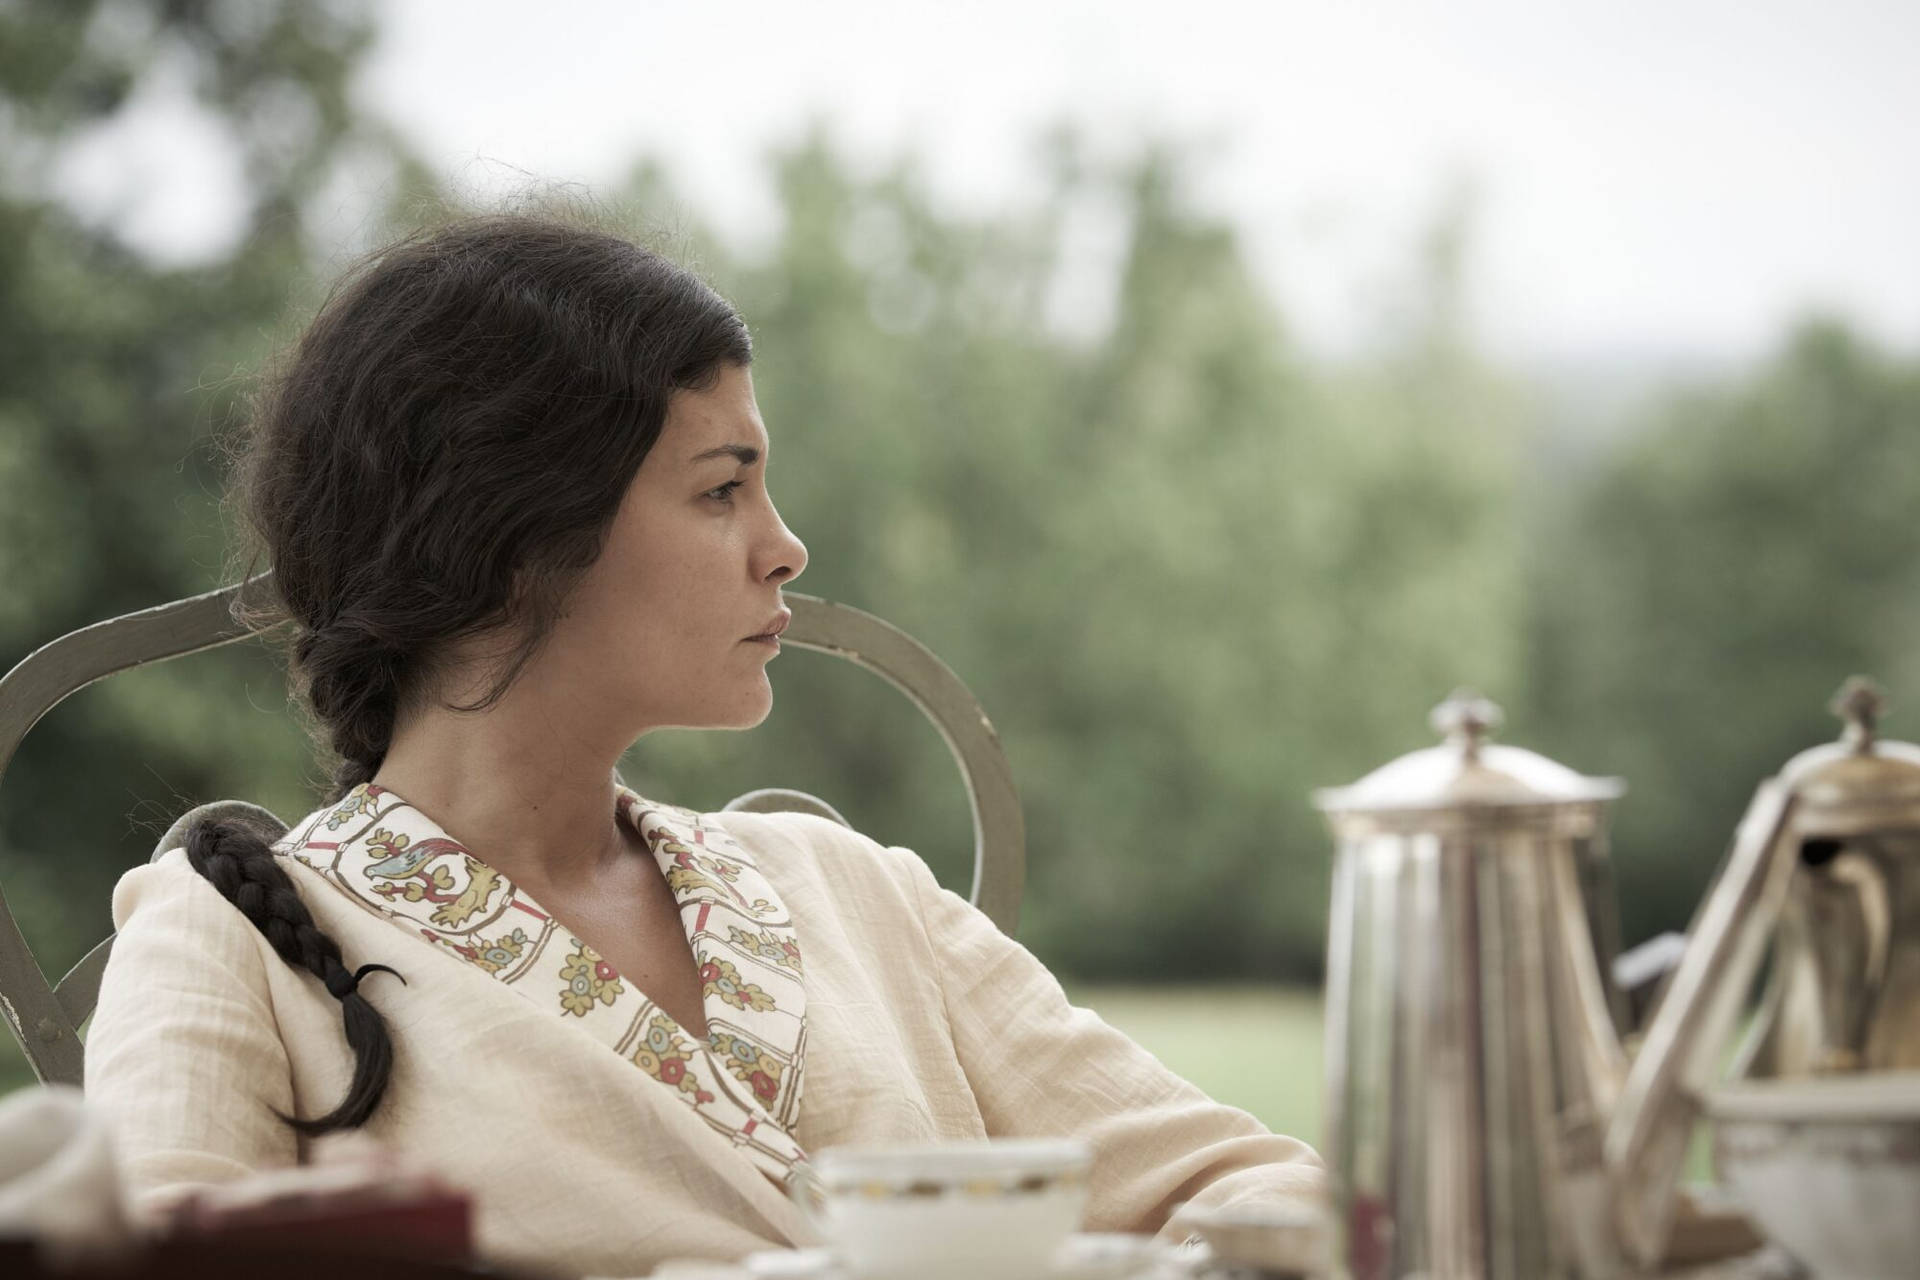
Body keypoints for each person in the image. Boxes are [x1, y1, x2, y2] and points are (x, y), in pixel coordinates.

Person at [81, 211, 1324, 1279]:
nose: (784, 547)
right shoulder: (231, 941)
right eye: (723, 488)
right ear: (514, 538)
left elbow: (1269, 1194)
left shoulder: (852, 889)